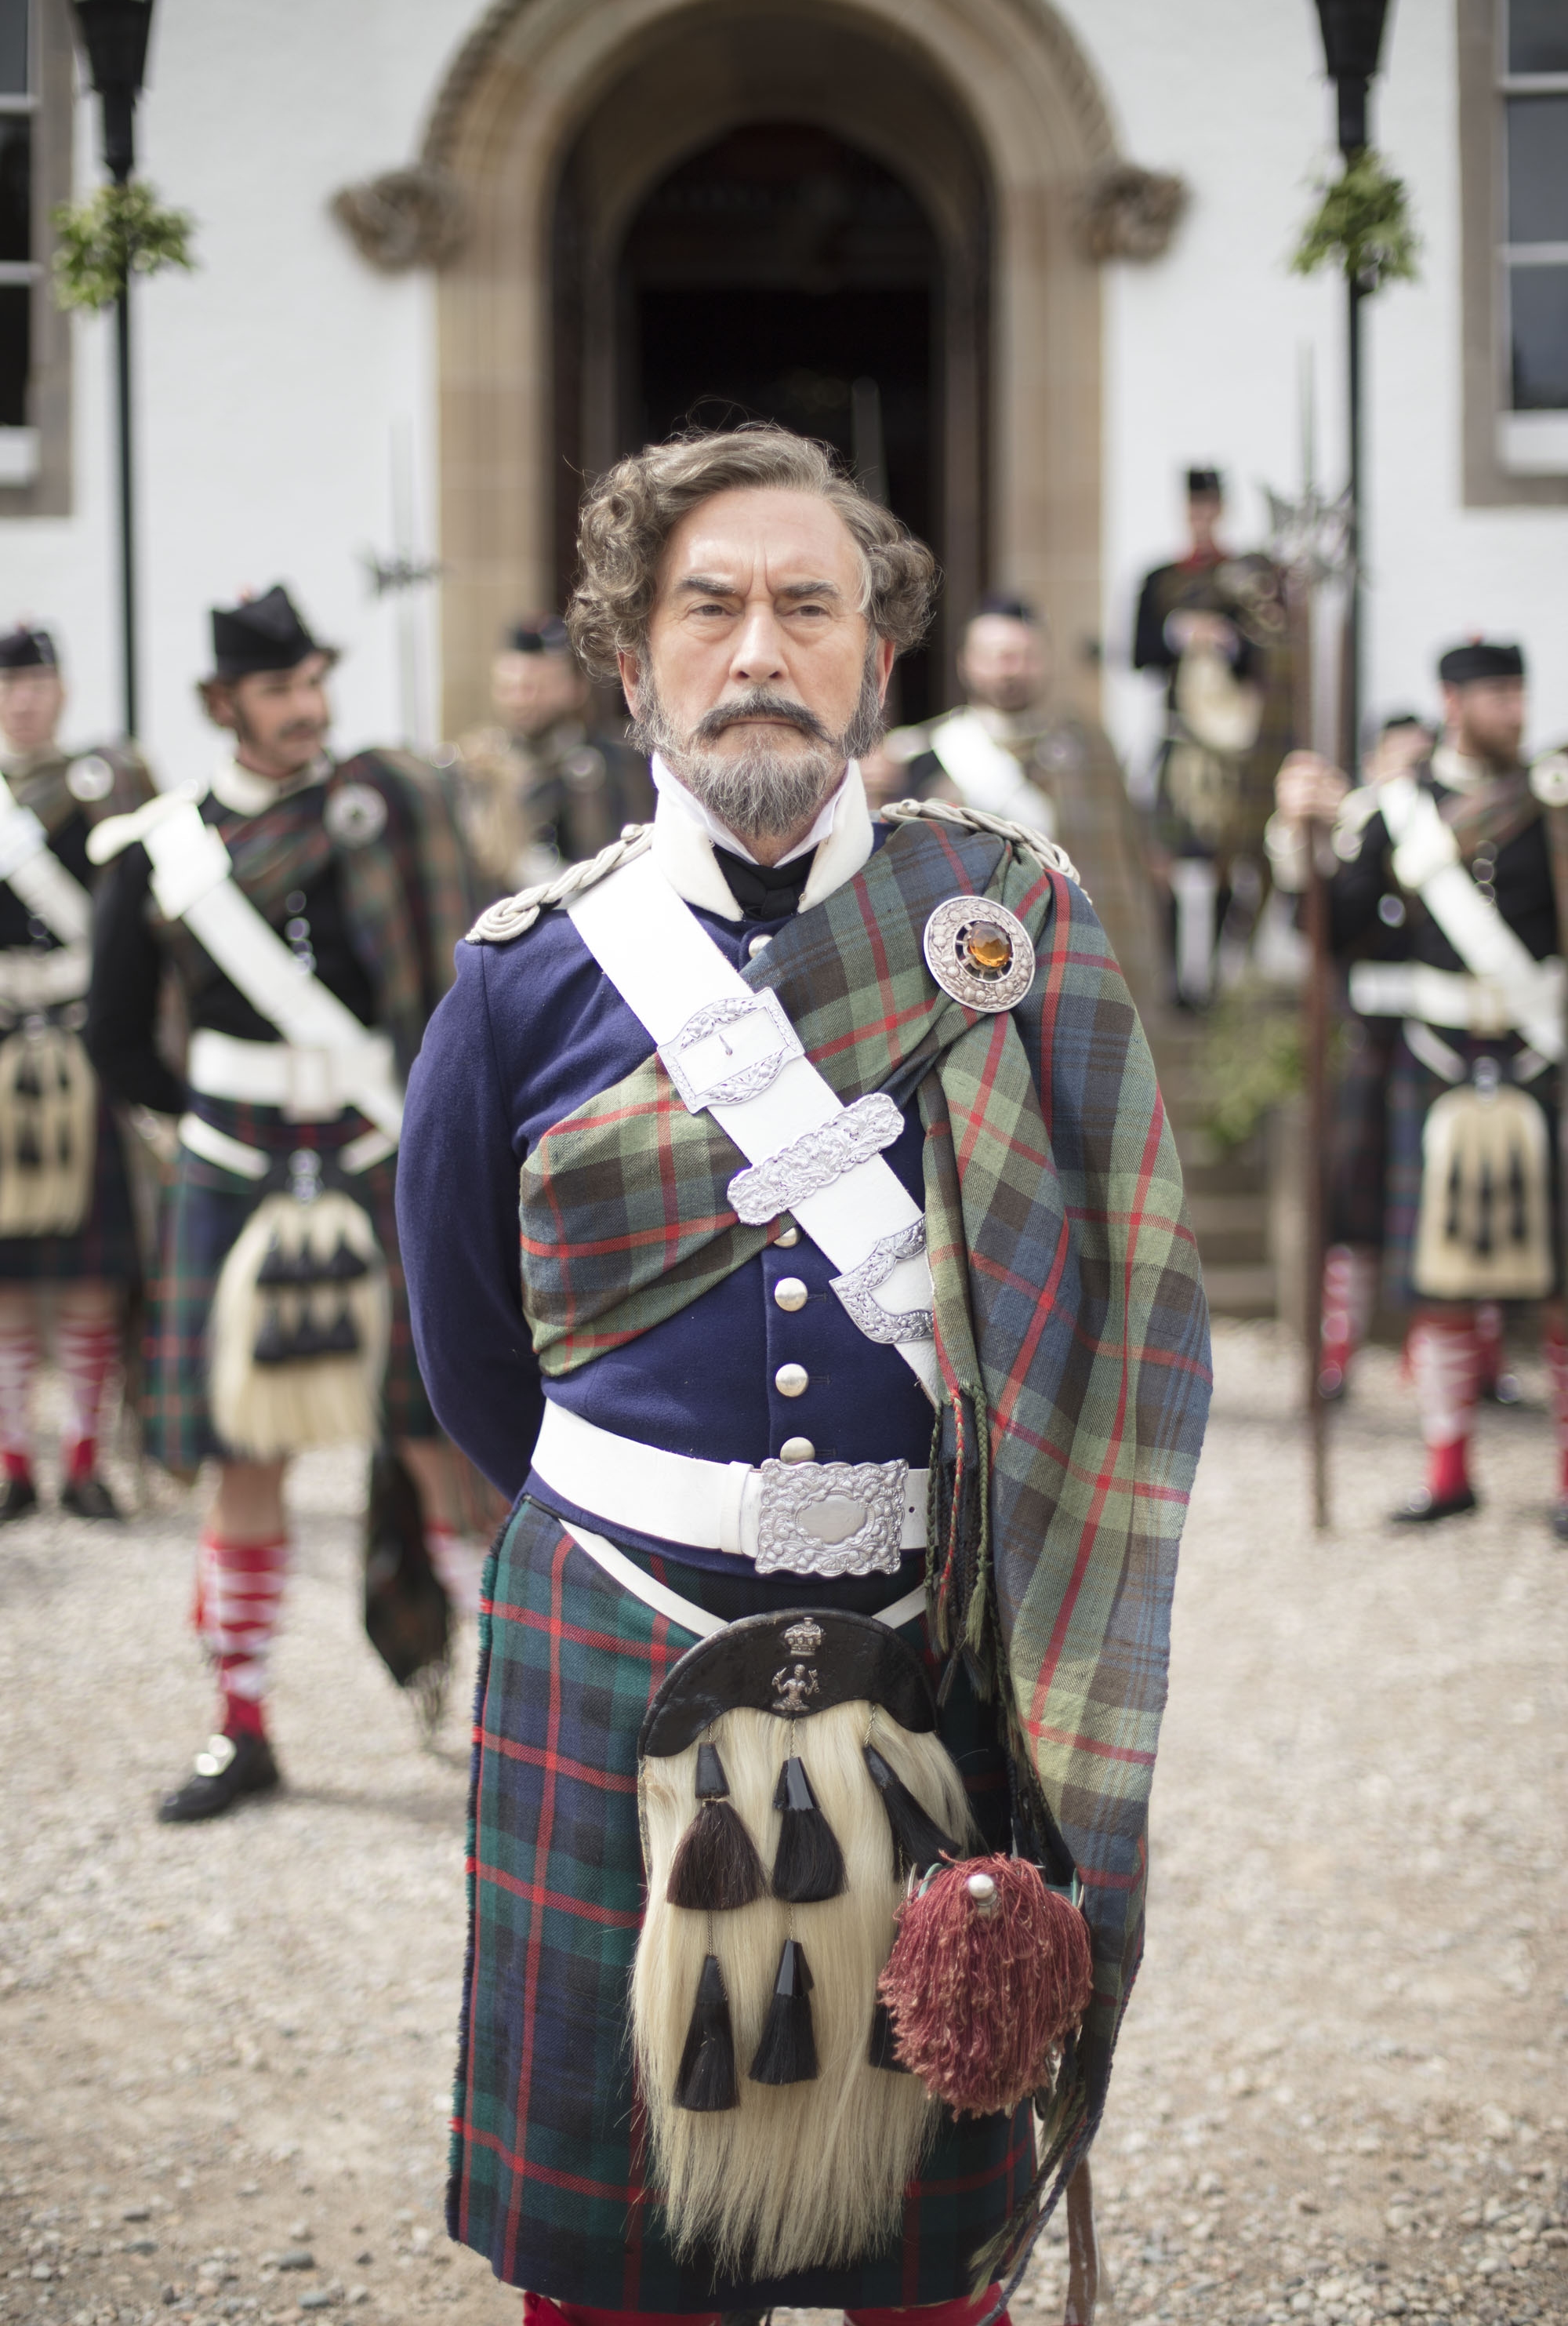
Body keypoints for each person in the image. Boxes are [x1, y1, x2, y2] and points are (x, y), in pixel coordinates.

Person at [398, 428, 1212, 2322]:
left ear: (874, 657)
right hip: (610, 1634)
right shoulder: (521, 976)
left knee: (928, 2276)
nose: (756, 643)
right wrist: (645, 1517)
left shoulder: (1005, 926)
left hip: (930, 1649)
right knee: (611, 2273)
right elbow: (463, 1349)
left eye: (805, 603)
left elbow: (1116, 1302)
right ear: (630, 661)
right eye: (707, 605)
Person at [84, 584, 475, 1821]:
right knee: (240, 1453)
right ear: (222, 706)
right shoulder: (161, 850)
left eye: (316, 683)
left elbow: (451, 976)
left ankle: (507, 1726)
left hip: (379, 1151)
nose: (307, 710)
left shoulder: (385, 809)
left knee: (440, 1436)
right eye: (278, 690)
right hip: (236, 1161)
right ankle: (240, 1724)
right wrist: (218, 1116)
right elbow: (116, 1041)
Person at [1274, 641, 1563, 1528]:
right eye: (1494, 694)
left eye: (1517, 692)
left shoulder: (1550, 806)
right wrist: (1301, 838)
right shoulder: (1397, 814)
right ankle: (1448, 1474)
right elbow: (1330, 926)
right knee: (1437, 1285)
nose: (1512, 709)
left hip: (1540, 1052)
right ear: (1451, 700)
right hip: (1433, 1058)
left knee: (1561, 1281)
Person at [0, 625, 151, 1518]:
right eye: (11, 685)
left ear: (62, 691)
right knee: (8, 1271)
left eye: (38, 682)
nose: (24, 699)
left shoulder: (106, 792)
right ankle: (15, 1460)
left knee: (92, 1271)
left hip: (83, 1045)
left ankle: (87, 1459)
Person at [884, 594, 1163, 1012]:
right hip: (982, 969)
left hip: (1084, 956)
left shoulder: (1091, 744)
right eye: (995, 655)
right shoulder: (924, 755)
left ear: (1046, 659)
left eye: (1024, 655)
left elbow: (1127, 861)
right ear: (966, 662)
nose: (1009, 668)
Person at [1264, 714, 1432, 1401]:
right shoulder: (1361, 833)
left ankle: (1457, 1357)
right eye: (1396, 759)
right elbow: (1317, 923)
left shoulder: (1448, 829)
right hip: (1372, 1033)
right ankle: (1337, 1351)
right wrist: (1304, 838)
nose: (1407, 775)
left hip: (1446, 1031)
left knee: (1443, 1206)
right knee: (1355, 1204)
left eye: (1419, 761)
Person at [1133, 467, 1294, 1005]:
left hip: (1237, 745)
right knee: (1171, 862)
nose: (1202, 518)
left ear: (1220, 510)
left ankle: (1223, 975)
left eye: (1209, 508)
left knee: (1233, 857)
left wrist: (1227, 641)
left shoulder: (1248, 578)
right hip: (1183, 741)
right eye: (1194, 509)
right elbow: (1140, 656)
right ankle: (1180, 978)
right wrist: (1180, 632)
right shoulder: (1159, 579)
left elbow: (1270, 653)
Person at [448, 612, 652, 902]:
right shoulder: (482, 764)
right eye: (509, 688)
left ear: (575, 689)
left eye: (534, 687)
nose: (521, 699)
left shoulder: (622, 762)